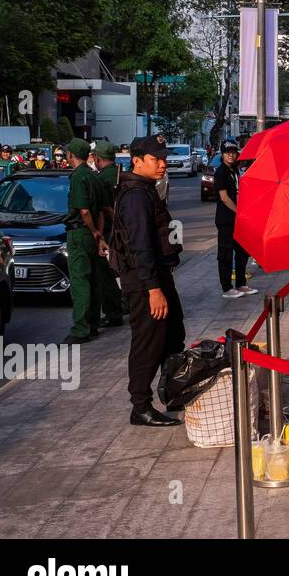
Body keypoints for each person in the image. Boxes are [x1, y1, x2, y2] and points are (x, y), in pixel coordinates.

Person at [108, 135, 185, 427]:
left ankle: (174, 391)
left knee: (173, 334)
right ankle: (140, 406)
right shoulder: (136, 196)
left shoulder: (145, 189)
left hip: (156, 277)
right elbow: (140, 245)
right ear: (137, 161)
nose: (163, 164)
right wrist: (153, 289)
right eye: (156, 159)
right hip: (144, 282)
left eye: (164, 158)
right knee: (148, 343)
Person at [62, 139, 105, 345]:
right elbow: (102, 211)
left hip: (79, 232)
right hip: (90, 233)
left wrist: (94, 230)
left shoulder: (79, 176)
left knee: (80, 281)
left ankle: (81, 329)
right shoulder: (93, 176)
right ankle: (93, 324)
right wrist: (99, 234)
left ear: (71, 155)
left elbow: (84, 210)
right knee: (93, 280)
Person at [213, 140, 256, 299]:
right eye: (227, 152)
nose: (231, 155)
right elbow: (224, 198)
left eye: (233, 152)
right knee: (225, 254)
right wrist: (239, 212)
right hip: (226, 219)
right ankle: (227, 288)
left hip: (239, 219)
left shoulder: (235, 171)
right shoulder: (221, 172)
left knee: (242, 252)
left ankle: (241, 283)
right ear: (222, 154)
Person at [90, 140, 125, 329]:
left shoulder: (101, 179)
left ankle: (113, 313)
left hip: (109, 232)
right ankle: (124, 306)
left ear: (98, 158)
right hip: (124, 231)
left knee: (106, 275)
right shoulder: (121, 173)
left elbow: (105, 208)